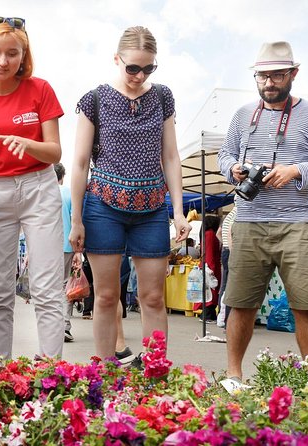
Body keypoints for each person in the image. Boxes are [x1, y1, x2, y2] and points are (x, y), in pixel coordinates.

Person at [217, 41, 308, 381]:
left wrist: (295, 170)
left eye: (277, 75)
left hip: (296, 224)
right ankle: (233, 376)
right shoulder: (242, 115)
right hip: (248, 221)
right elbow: (223, 155)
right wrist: (235, 170)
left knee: (306, 303)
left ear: (293, 74)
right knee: (240, 302)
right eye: (262, 76)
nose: (269, 83)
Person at [69, 26, 190, 360]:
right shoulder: (94, 99)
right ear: (116, 60)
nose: (139, 75)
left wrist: (178, 212)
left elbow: (170, 157)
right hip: (103, 207)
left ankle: (155, 371)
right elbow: (79, 164)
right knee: (106, 296)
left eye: (148, 68)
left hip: (151, 209)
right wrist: (76, 219)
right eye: (132, 67)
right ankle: (105, 374)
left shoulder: (162, 96)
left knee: (152, 298)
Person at [0, 16, 65, 365]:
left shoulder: (40, 89)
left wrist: (27, 144)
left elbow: (55, 152)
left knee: (47, 289)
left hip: (39, 189)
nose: (3, 61)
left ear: (23, 56)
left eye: (12, 53)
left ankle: (51, 372)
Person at [54, 163, 76, 342]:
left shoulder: (41, 193)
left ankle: (50, 326)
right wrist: (79, 251)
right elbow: (76, 220)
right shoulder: (69, 193)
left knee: (47, 288)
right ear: (62, 176)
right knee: (64, 287)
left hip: (44, 246)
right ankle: (65, 326)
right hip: (66, 246)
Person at [193, 215, 221, 322]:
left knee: (208, 291)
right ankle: (208, 315)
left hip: (208, 265)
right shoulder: (210, 234)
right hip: (210, 266)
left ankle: (210, 314)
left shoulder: (206, 234)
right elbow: (209, 254)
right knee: (210, 291)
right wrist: (211, 268)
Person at [216, 206, 237, 328]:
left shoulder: (227, 216)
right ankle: (228, 320)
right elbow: (229, 234)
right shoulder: (236, 214)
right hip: (231, 251)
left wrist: (224, 243)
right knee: (231, 285)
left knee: (225, 285)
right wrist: (230, 247)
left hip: (225, 251)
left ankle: (221, 315)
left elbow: (219, 233)